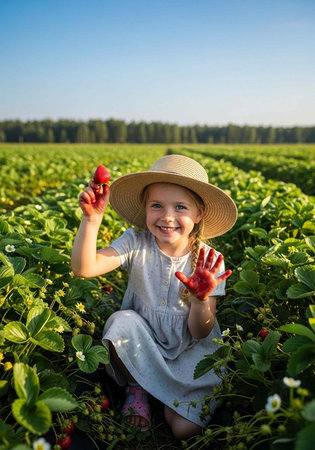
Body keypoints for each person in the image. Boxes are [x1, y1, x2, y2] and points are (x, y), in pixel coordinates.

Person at [71, 154, 237, 440]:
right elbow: (84, 268)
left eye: (180, 207)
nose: (167, 216)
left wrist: (200, 300)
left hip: (189, 356)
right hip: (144, 345)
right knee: (121, 323)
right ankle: (138, 386)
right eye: (156, 205)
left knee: (185, 430)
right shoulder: (135, 242)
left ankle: (163, 391)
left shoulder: (209, 262)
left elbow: (200, 332)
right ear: (145, 209)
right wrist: (91, 219)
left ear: (199, 214)